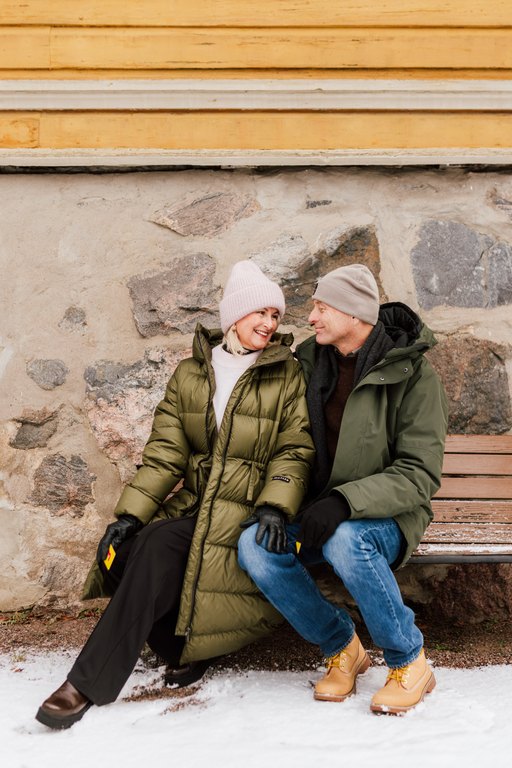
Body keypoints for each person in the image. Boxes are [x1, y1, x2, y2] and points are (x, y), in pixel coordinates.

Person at [36, 260, 314, 729]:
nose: (269, 324)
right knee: (125, 550)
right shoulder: (191, 374)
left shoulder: (285, 374)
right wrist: (129, 516)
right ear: (235, 316)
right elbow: (165, 455)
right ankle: (185, 649)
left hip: (246, 511)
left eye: (275, 315)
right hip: (198, 504)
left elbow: (294, 449)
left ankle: (84, 684)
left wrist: (273, 505)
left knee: (157, 545)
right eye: (260, 313)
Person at [239, 263, 448, 715]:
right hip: (319, 510)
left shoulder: (413, 375)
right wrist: (277, 504)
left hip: (387, 518)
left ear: (354, 314)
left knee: (346, 539)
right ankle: (342, 648)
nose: (311, 317)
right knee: (255, 545)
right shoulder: (310, 363)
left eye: (322, 307)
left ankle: (409, 660)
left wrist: (343, 502)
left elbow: (418, 473)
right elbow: (289, 443)